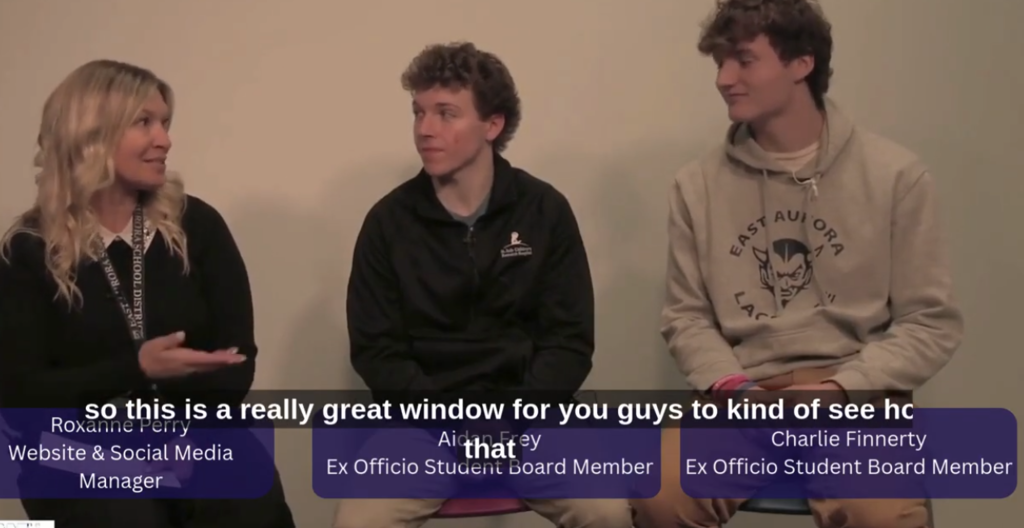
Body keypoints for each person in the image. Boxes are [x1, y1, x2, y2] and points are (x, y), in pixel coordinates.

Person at [631, 1, 963, 527]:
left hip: (855, 402)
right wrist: (736, 391)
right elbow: (687, 317)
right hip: (743, 400)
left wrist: (838, 391)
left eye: (743, 60)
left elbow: (930, 323)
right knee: (657, 495)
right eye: (719, 62)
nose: (723, 79)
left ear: (801, 64)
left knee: (880, 515)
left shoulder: (896, 176)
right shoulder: (695, 186)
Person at [336, 42, 633, 528]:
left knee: (607, 510)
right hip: (422, 429)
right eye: (419, 112)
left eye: (446, 113)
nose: (425, 129)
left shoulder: (544, 210)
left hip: (533, 423)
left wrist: (512, 420)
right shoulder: (388, 222)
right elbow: (377, 350)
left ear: (492, 125)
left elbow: (569, 341)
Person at [0, 60, 296, 528]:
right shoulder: (27, 250)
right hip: (76, 455)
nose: (165, 139)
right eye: (144, 122)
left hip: (195, 437)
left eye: (165, 123)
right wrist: (134, 369)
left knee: (247, 499)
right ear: (90, 135)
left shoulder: (196, 225)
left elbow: (236, 359)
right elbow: (19, 395)